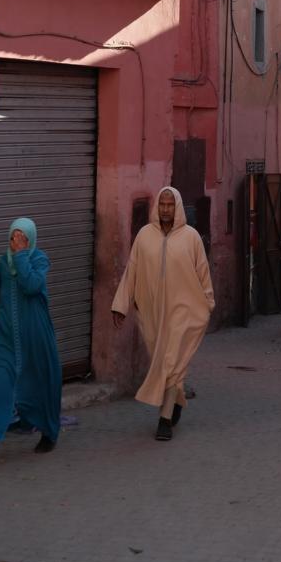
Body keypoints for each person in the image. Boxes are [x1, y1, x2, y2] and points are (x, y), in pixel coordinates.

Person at [112, 186, 214, 442]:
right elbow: (132, 270)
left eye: (170, 205)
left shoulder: (191, 238)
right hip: (152, 312)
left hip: (183, 310)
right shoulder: (145, 236)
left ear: (177, 207)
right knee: (164, 360)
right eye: (162, 204)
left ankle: (164, 419)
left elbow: (202, 272)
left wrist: (208, 302)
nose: (166, 209)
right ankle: (177, 399)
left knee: (170, 360)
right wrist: (121, 305)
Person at [0, 217, 61, 464]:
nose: (16, 242)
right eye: (13, 237)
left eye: (22, 238)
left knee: (41, 383)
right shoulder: (2, 264)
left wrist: (21, 256)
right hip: (6, 334)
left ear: (31, 240)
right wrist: (0, 324)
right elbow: (1, 296)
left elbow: (31, 285)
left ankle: (49, 432)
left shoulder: (39, 260)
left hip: (35, 335)